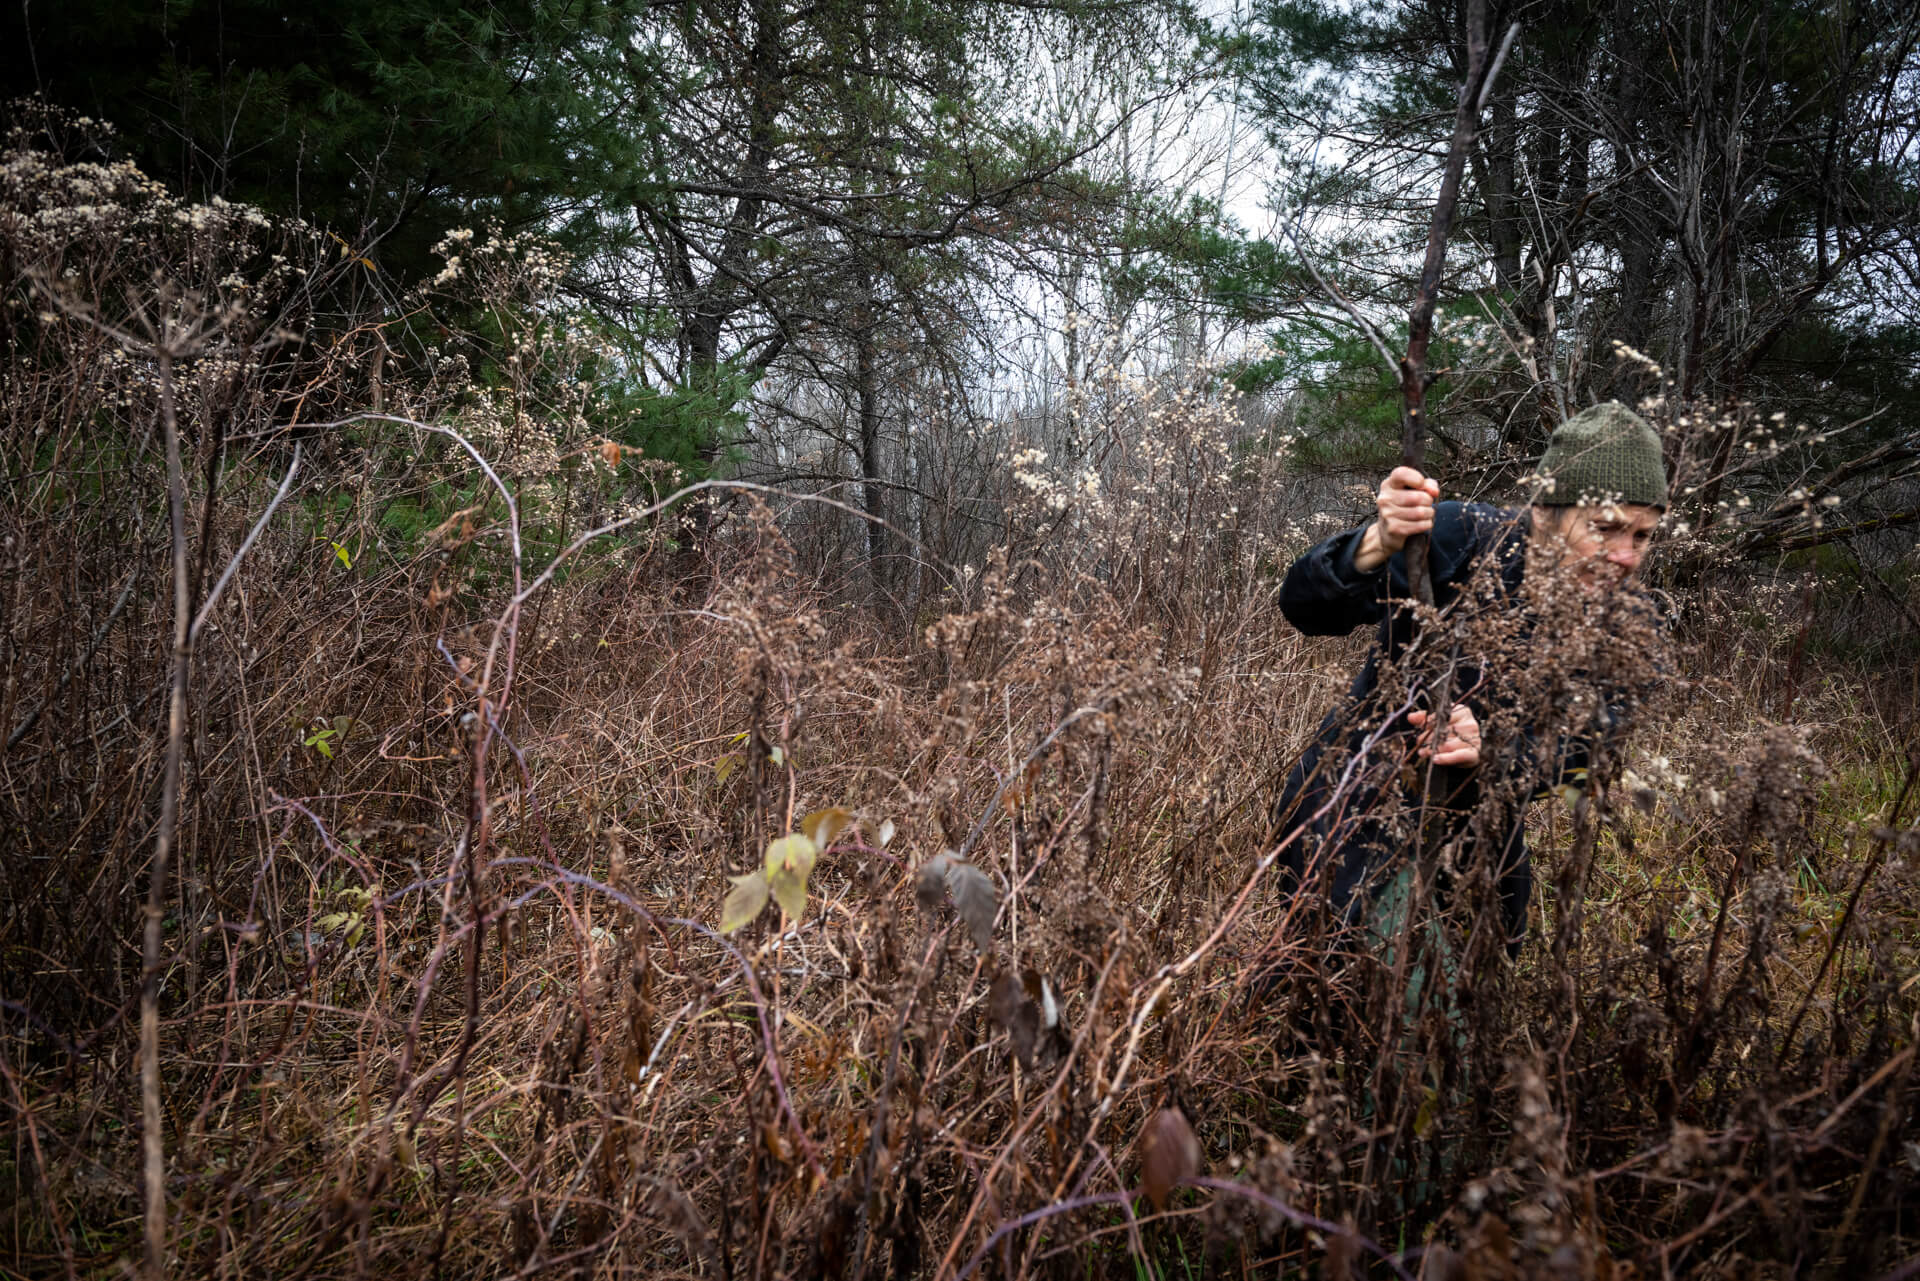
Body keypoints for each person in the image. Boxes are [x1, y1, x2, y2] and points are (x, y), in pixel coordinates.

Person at [1271, 401, 1669, 953]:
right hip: (1353, 801)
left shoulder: (1630, 625)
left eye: (1642, 536)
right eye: (1605, 528)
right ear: (1545, 513)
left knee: (1483, 964)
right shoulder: (1465, 536)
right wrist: (1376, 543)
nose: (1625, 556)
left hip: (1479, 834)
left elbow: (1591, 751)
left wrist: (1495, 750)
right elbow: (1305, 609)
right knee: (1335, 966)